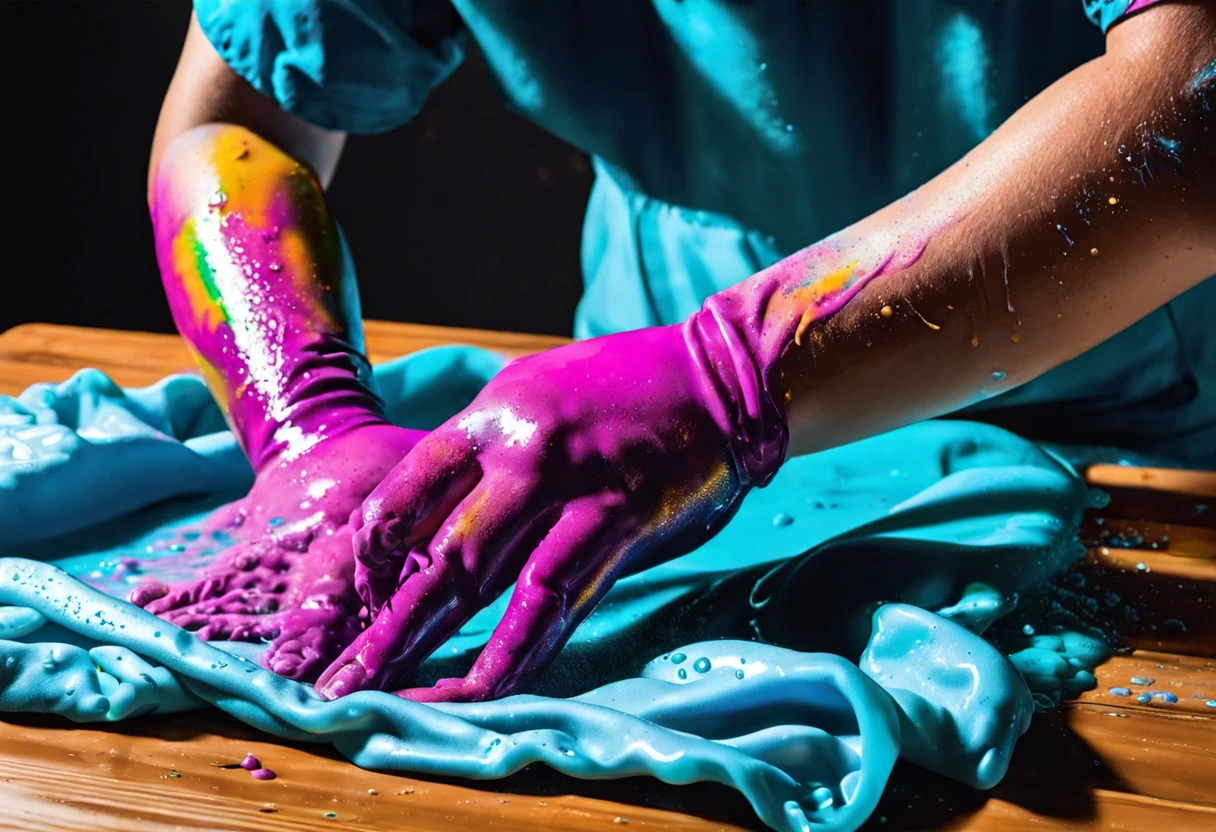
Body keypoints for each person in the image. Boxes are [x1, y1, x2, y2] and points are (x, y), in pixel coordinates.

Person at [136, 0, 1216, 702]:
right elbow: (240, 120)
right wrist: (304, 416)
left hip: (1125, 424)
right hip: (620, 455)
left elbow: (1197, 100)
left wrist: (728, 372)